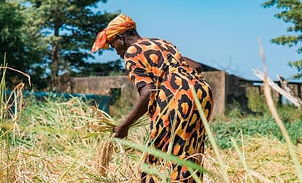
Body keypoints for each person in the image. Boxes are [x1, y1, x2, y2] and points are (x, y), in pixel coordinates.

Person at [91, 14, 213, 182]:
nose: (117, 52)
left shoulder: (132, 52)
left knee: (154, 161)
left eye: (114, 45)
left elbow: (148, 93)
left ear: (121, 38)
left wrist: (125, 125)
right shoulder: (161, 43)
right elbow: (196, 67)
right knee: (188, 154)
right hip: (202, 93)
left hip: (178, 99)